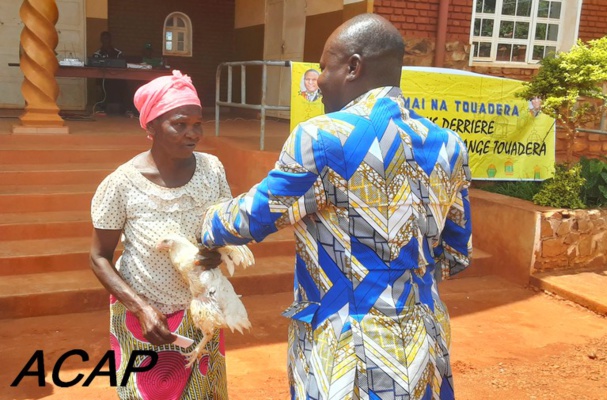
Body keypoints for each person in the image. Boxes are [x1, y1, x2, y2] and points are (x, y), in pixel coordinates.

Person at [201, 13, 472, 399]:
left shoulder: (324, 138)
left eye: (324, 68)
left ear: (353, 67)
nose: (319, 81)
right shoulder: (450, 145)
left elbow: (256, 215)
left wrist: (205, 223)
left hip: (349, 349)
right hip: (425, 340)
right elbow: (457, 253)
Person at [90, 70, 231, 399]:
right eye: (179, 124)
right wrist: (142, 309)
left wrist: (218, 250)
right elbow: (99, 257)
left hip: (201, 313)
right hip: (144, 321)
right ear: (151, 126)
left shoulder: (212, 170)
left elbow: (223, 227)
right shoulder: (122, 183)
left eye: (198, 124)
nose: (192, 134)